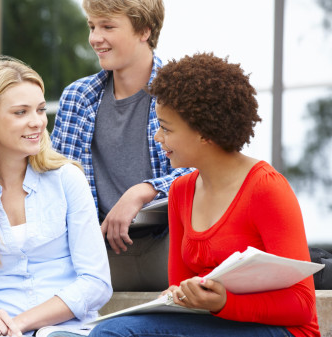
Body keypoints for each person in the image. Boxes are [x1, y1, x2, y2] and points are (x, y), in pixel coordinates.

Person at [89, 53, 320, 337]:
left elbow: (302, 305)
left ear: (205, 133)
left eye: (166, 128)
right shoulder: (180, 191)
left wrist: (225, 302)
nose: (157, 137)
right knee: (113, 331)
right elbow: (181, 289)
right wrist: (181, 295)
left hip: (280, 330)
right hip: (214, 324)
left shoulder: (266, 188)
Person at [0, 58, 112, 336]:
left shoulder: (68, 179)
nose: (37, 122)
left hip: (69, 331)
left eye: (41, 110)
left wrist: (21, 323)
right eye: (21, 112)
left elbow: (96, 283)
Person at [51, 0, 193, 291]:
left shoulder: (182, 93)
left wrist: (143, 191)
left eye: (107, 26)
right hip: (98, 257)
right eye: (92, 26)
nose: (94, 38)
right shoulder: (78, 98)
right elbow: (55, 184)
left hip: (172, 246)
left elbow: (206, 172)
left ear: (144, 30)